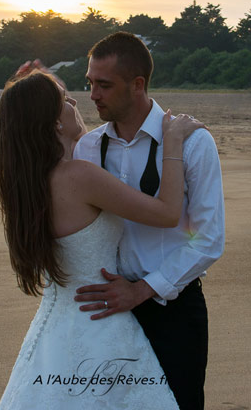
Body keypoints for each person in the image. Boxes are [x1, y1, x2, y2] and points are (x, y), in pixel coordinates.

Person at [0, 69, 203, 408]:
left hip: (55, 330)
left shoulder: (26, 184)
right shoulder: (80, 177)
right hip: (101, 324)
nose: (76, 100)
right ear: (54, 123)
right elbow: (166, 213)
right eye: (63, 99)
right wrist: (174, 142)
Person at [72, 32, 225, 410]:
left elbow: (209, 240)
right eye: (90, 84)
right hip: (104, 308)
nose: (93, 95)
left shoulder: (193, 142)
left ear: (137, 84)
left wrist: (142, 291)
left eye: (104, 85)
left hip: (172, 311)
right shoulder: (87, 147)